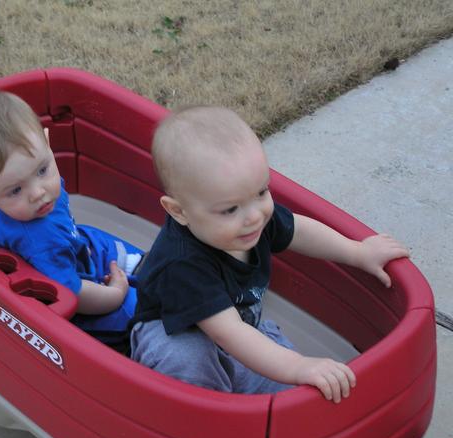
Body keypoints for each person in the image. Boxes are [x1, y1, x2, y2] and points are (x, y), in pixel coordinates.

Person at [130, 106, 410, 402]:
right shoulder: (182, 264)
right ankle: (197, 417)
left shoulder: (250, 216)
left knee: (294, 393)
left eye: (262, 192)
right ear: (179, 211)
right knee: (189, 361)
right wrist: (299, 366)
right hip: (177, 333)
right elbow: (228, 334)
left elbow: (299, 231)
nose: (255, 216)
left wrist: (358, 251)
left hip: (239, 325)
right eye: (230, 209)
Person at [0, 89, 142, 348]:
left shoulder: (4, 187)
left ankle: (145, 271)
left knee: (144, 263)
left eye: (41, 170)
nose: (38, 193)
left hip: (79, 247)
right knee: (145, 314)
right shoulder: (39, 239)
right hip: (72, 294)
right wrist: (115, 295)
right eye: (16, 190)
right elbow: (73, 295)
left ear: (47, 143)